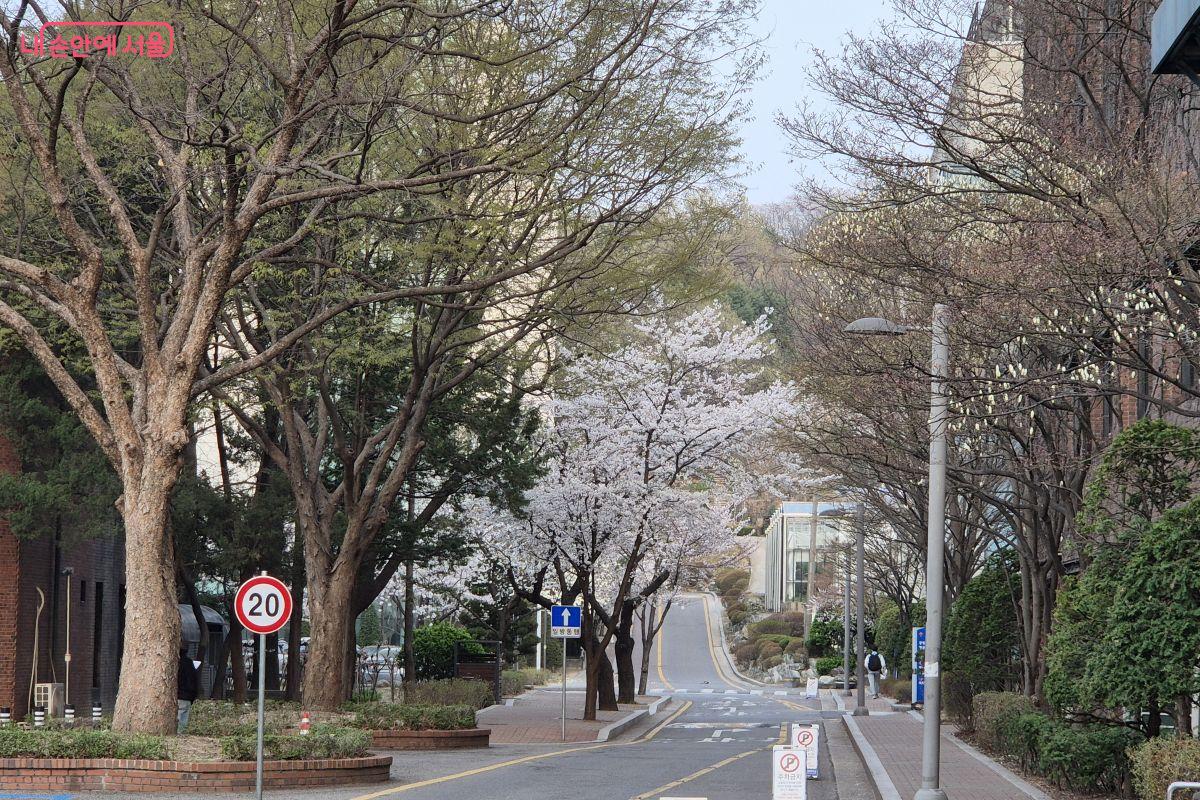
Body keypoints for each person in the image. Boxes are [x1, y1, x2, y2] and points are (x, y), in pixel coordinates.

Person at [177, 647, 199, 734]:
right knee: (183, 723)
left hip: (178, 695)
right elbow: (194, 680)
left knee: (177, 721)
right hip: (188, 696)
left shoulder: (176, 664)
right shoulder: (190, 663)